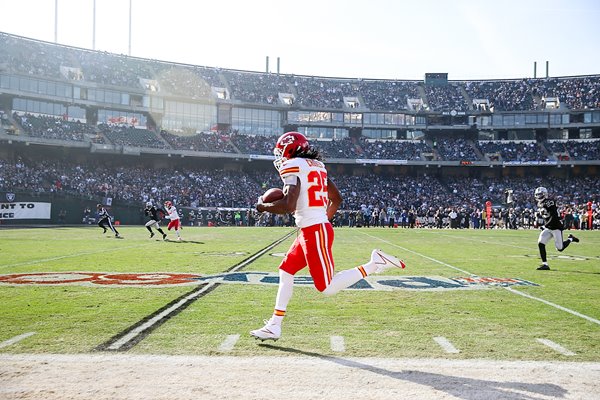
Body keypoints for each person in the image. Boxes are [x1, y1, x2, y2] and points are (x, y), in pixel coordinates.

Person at [250, 132, 405, 342]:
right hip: (311, 229)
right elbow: (337, 199)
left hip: (314, 230)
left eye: (281, 151)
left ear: (289, 148)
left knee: (327, 287)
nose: (280, 157)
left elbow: (288, 205)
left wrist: (262, 206)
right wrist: (321, 220)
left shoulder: (292, 165)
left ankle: (374, 263)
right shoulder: (318, 166)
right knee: (286, 271)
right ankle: (274, 325)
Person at [534, 187, 579, 270]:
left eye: (540, 194)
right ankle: (545, 264)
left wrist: (545, 225)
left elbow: (553, 216)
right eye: (537, 195)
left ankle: (570, 239)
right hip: (548, 227)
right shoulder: (540, 203)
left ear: (544, 194)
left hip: (555, 227)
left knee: (560, 248)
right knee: (541, 243)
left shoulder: (549, 202)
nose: (539, 196)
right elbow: (546, 214)